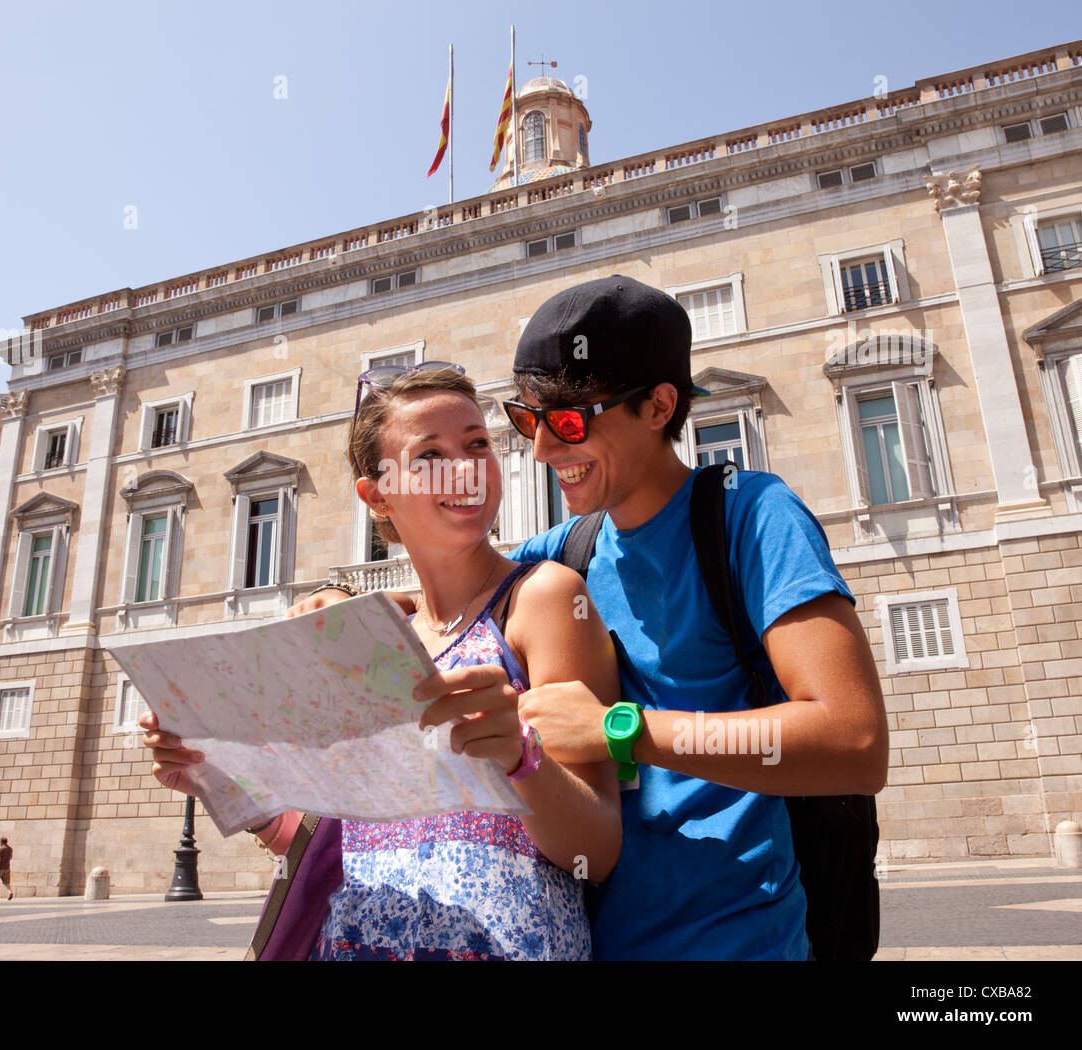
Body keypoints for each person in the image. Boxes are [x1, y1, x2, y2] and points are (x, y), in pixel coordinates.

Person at [289, 276, 890, 960]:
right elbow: (458, 593)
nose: (542, 451)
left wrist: (618, 730)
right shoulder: (564, 553)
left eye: (569, 422)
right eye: (526, 419)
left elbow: (855, 742)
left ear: (660, 405)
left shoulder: (752, 517)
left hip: (740, 941)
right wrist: (349, 601)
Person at [144, 364, 622, 959]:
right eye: (429, 456)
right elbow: (333, 843)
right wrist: (214, 774)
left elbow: (596, 853)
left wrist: (520, 757)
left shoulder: (544, 598)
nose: (465, 468)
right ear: (376, 494)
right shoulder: (368, 638)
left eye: (477, 444)